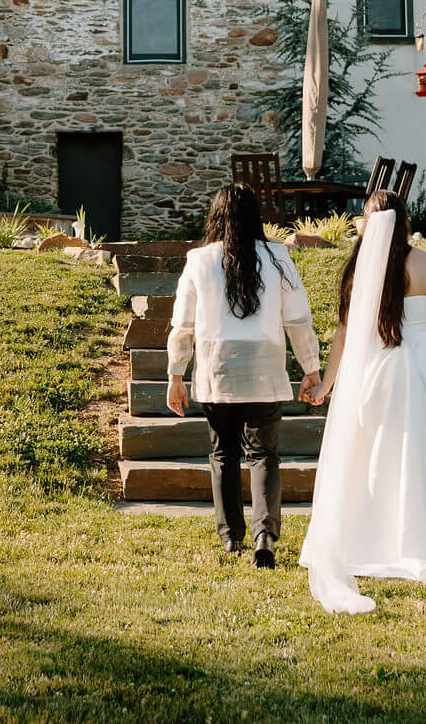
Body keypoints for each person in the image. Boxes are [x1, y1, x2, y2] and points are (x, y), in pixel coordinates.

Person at [298, 190, 426, 614]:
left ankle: (375, 542)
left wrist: (327, 385)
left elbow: (344, 333)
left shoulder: (360, 272)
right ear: (405, 220)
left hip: (379, 373)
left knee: (379, 460)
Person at [165, 183, 322, 567]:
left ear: (216, 217)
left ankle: (231, 537)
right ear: (256, 216)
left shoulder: (199, 260)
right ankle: (264, 536)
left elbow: (182, 327)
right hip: (266, 368)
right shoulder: (279, 257)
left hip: (218, 370)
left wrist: (175, 375)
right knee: (264, 455)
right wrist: (311, 369)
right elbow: (298, 321)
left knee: (223, 453)